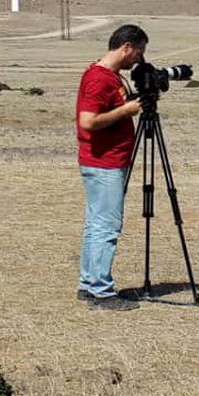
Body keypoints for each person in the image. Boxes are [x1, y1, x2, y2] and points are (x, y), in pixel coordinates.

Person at [75, 24, 146, 310]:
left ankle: (88, 283)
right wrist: (126, 111)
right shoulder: (100, 79)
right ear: (126, 46)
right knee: (106, 226)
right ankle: (102, 292)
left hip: (104, 161)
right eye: (139, 51)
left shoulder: (109, 76)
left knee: (95, 225)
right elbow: (88, 121)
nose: (139, 59)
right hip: (104, 163)